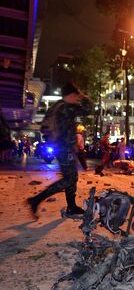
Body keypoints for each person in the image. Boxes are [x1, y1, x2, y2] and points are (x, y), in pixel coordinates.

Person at [27, 82, 92, 219]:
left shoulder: (56, 107)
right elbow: (87, 110)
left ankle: (72, 207)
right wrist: (83, 96)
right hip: (65, 147)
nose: (77, 99)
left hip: (60, 146)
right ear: (72, 95)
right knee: (70, 179)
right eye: (75, 96)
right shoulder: (67, 108)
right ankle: (36, 199)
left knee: (71, 178)